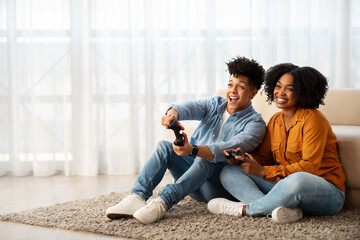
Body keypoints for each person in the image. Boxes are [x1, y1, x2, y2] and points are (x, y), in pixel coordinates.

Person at [106, 56, 266, 224]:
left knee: (208, 159)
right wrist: (171, 115)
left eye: (240, 87)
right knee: (164, 147)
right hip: (192, 181)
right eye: (230, 84)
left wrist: (192, 149)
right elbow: (186, 107)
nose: (232, 91)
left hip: (216, 188)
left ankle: (162, 202)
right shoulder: (215, 104)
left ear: (253, 93)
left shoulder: (255, 124)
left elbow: (224, 149)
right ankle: (137, 196)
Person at [208, 63, 346, 224]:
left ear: (303, 93)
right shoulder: (275, 121)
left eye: (289, 89)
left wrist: (264, 171)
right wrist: (245, 159)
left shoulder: (314, 119)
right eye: (278, 86)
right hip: (284, 187)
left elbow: (309, 168)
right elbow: (264, 157)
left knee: (298, 179)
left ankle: (246, 210)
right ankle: (275, 210)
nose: (280, 93)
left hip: (325, 192)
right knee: (230, 171)